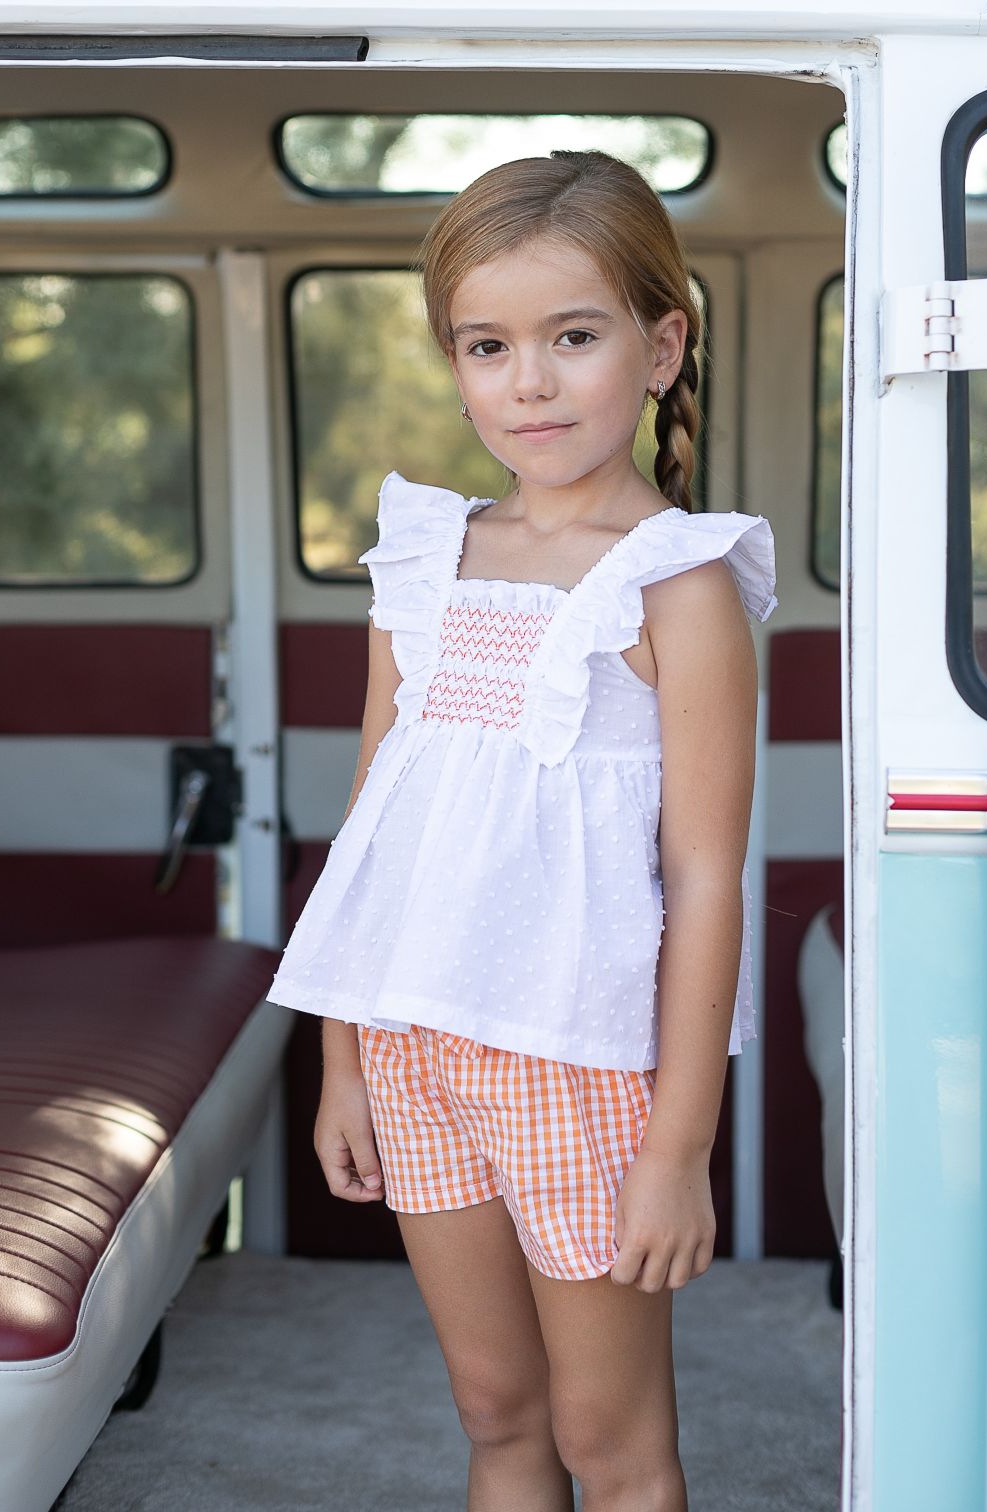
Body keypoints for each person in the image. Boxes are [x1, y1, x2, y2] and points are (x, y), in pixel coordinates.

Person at [267, 148, 778, 1512]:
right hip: (417, 1041)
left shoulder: (678, 583)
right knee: (497, 1412)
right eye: (489, 346)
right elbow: (376, 827)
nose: (531, 383)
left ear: (663, 346)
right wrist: (345, 1057)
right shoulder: (427, 559)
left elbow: (709, 874)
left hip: (582, 1068)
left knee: (613, 1450)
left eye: (574, 337)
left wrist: (679, 1149)